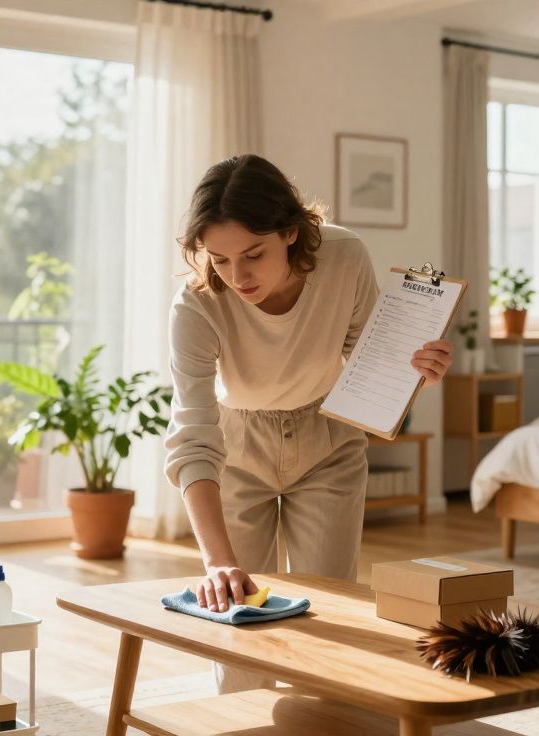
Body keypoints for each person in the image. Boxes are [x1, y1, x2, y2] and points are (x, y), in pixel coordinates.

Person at [162, 154, 453, 692]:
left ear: (291, 232)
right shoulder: (196, 304)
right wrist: (216, 563)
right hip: (235, 444)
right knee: (240, 621)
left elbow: (368, 364)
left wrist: (418, 374)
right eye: (220, 259)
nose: (237, 276)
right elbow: (193, 438)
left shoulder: (344, 257)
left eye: (254, 254)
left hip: (328, 437)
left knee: (328, 616)